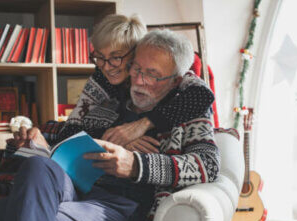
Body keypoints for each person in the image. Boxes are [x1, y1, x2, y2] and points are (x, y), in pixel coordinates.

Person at [0, 29, 220, 221]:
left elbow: (208, 166)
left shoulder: (189, 112)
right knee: (37, 166)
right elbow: (65, 130)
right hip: (75, 189)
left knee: (14, 216)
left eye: (152, 75)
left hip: (118, 210)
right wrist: (34, 137)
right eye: (136, 69)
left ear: (175, 80)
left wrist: (134, 165)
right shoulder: (111, 100)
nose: (139, 81)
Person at [53, 13, 215, 151]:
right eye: (100, 57)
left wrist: (144, 124)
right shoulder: (101, 78)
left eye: (116, 57)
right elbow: (70, 131)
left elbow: (203, 95)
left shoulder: (170, 75)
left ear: (136, 52)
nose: (106, 67)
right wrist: (117, 141)